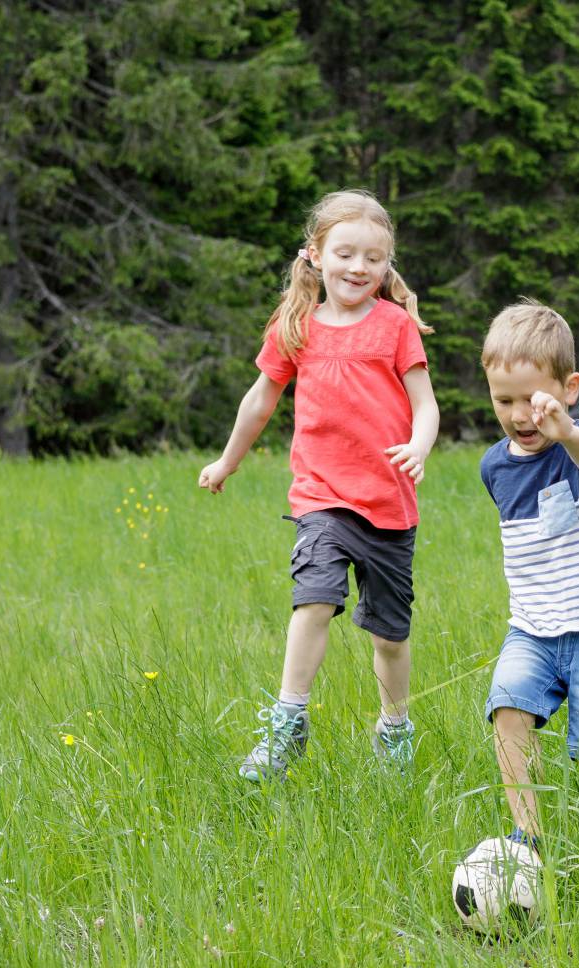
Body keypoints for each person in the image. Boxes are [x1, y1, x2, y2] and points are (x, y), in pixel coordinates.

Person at [198, 190, 438, 781]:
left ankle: (394, 728)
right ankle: (288, 722)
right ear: (315, 254)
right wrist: (228, 462)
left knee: (389, 636)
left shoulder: (394, 326)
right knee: (314, 598)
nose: (359, 268)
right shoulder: (296, 325)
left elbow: (426, 406)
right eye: (346, 253)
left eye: (374, 258)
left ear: (387, 265)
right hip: (321, 496)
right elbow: (260, 401)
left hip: (387, 500)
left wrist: (419, 445)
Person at [479, 301, 579, 891]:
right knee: (508, 711)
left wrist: (567, 430)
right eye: (505, 401)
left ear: (569, 389)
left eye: (534, 400)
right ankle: (529, 842)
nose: (522, 415)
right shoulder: (494, 467)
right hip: (533, 630)